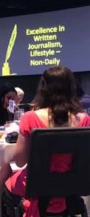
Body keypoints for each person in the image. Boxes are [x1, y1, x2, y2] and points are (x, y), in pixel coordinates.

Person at [5, 66, 90, 217]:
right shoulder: (85, 120)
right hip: (70, 187)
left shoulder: (30, 118)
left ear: (43, 88)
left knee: (5, 185)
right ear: (71, 88)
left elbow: (19, 161)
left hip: (37, 187)